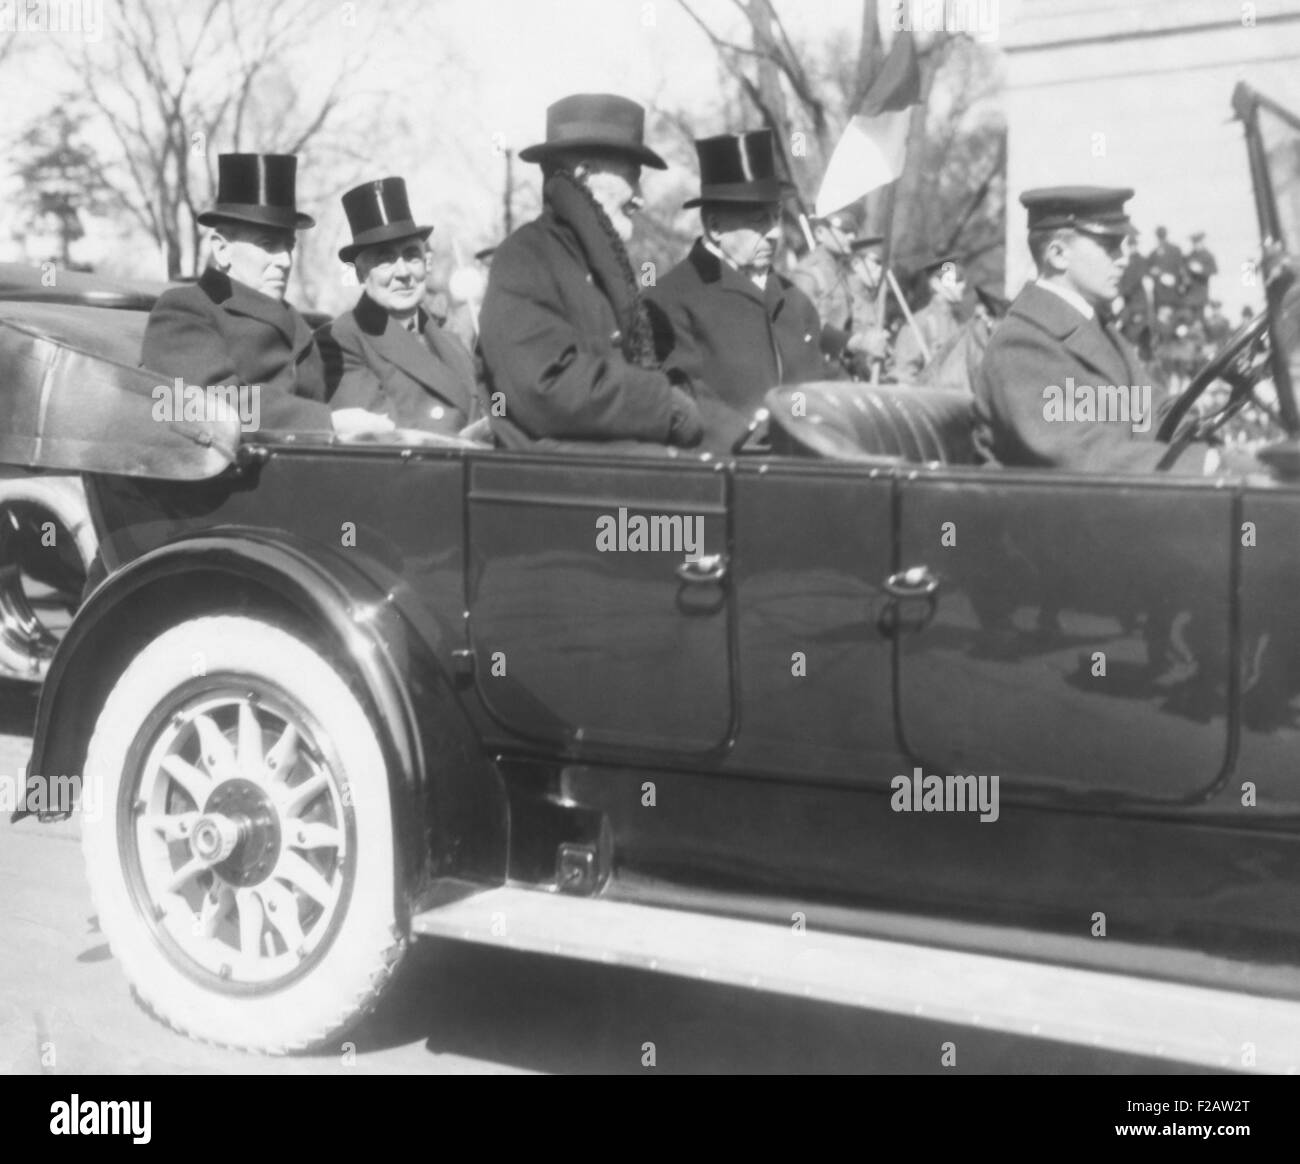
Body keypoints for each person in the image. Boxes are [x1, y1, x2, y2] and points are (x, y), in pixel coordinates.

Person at [972, 186, 1251, 475]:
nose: (1123, 258)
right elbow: (1081, 456)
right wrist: (1203, 464)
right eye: (1110, 247)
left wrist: (1202, 438)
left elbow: (1150, 411)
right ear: (1058, 254)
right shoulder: (1022, 344)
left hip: (1107, 496)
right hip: (1056, 502)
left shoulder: (1094, 326)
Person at [477, 93, 701, 450]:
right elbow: (544, 387)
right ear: (583, 175)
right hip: (553, 479)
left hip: (607, 472)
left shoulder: (598, 262)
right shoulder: (525, 257)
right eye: (632, 178)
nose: (640, 198)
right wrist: (664, 403)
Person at [141, 153, 391, 437]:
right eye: (268, 244)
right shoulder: (185, 310)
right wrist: (327, 421)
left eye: (289, 246)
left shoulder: (297, 322)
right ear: (222, 249)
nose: (284, 260)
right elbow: (208, 405)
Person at [643, 129, 823, 453]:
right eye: (759, 221)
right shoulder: (667, 301)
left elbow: (819, 384)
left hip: (806, 464)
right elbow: (681, 392)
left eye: (776, 217)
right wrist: (751, 439)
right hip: (725, 471)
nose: (774, 233)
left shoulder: (795, 301)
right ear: (715, 227)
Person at [316, 176, 481, 437]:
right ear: (361, 274)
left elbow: (496, 397)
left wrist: (499, 418)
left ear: (426, 264)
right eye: (386, 260)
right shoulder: (340, 340)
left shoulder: (451, 339)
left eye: (411, 256)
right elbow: (379, 435)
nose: (403, 273)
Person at [790, 205, 889, 377]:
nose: (852, 237)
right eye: (844, 231)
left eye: (854, 232)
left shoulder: (843, 273)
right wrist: (857, 342)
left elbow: (853, 320)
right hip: (810, 373)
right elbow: (805, 327)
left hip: (839, 369)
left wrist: (870, 338)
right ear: (820, 233)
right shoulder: (807, 273)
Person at [893, 254, 968, 379]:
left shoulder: (962, 322)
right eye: (956, 280)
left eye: (963, 279)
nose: (963, 285)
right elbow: (904, 375)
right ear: (935, 284)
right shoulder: (920, 323)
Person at [1147, 225, 1185, 313]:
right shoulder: (1154, 253)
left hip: (1168, 291)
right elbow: (1148, 269)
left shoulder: (1173, 250)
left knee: (1168, 314)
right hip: (1164, 291)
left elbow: (1181, 268)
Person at [1183, 230, 1218, 321]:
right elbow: (1183, 269)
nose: (1196, 245)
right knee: (1188, 319)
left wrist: (1201, 270)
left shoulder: (1207, 255)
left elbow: (1214, 270)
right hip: (1189, 293)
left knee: (1199, 319)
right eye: (1194, 242)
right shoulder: (1190, 256)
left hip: (1201, 293)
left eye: (1197, 242)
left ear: (1202, 242)